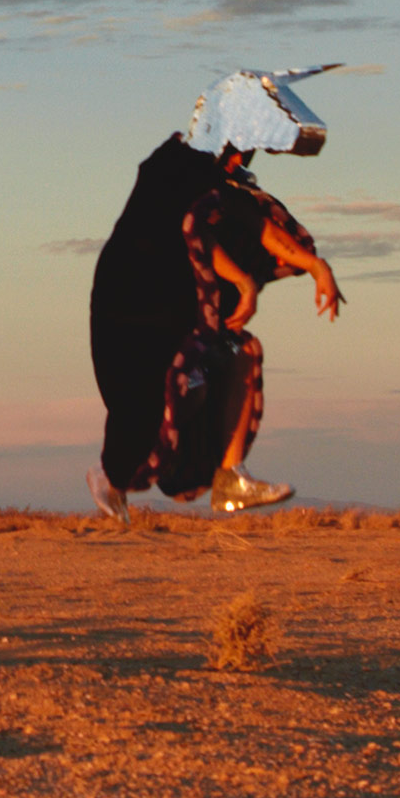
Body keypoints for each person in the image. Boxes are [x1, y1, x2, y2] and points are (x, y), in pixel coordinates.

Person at [87, 69, 345, 518]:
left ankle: (230, 480)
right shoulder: (173, 172)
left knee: (242, 354)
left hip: (186, 315)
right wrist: (244, 282)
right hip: (136, 309)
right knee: (171, 394)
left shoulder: (221, 179)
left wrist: (315, 266)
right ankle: (110, 479)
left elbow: (252, 224)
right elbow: (191, 231)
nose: (247, 156)